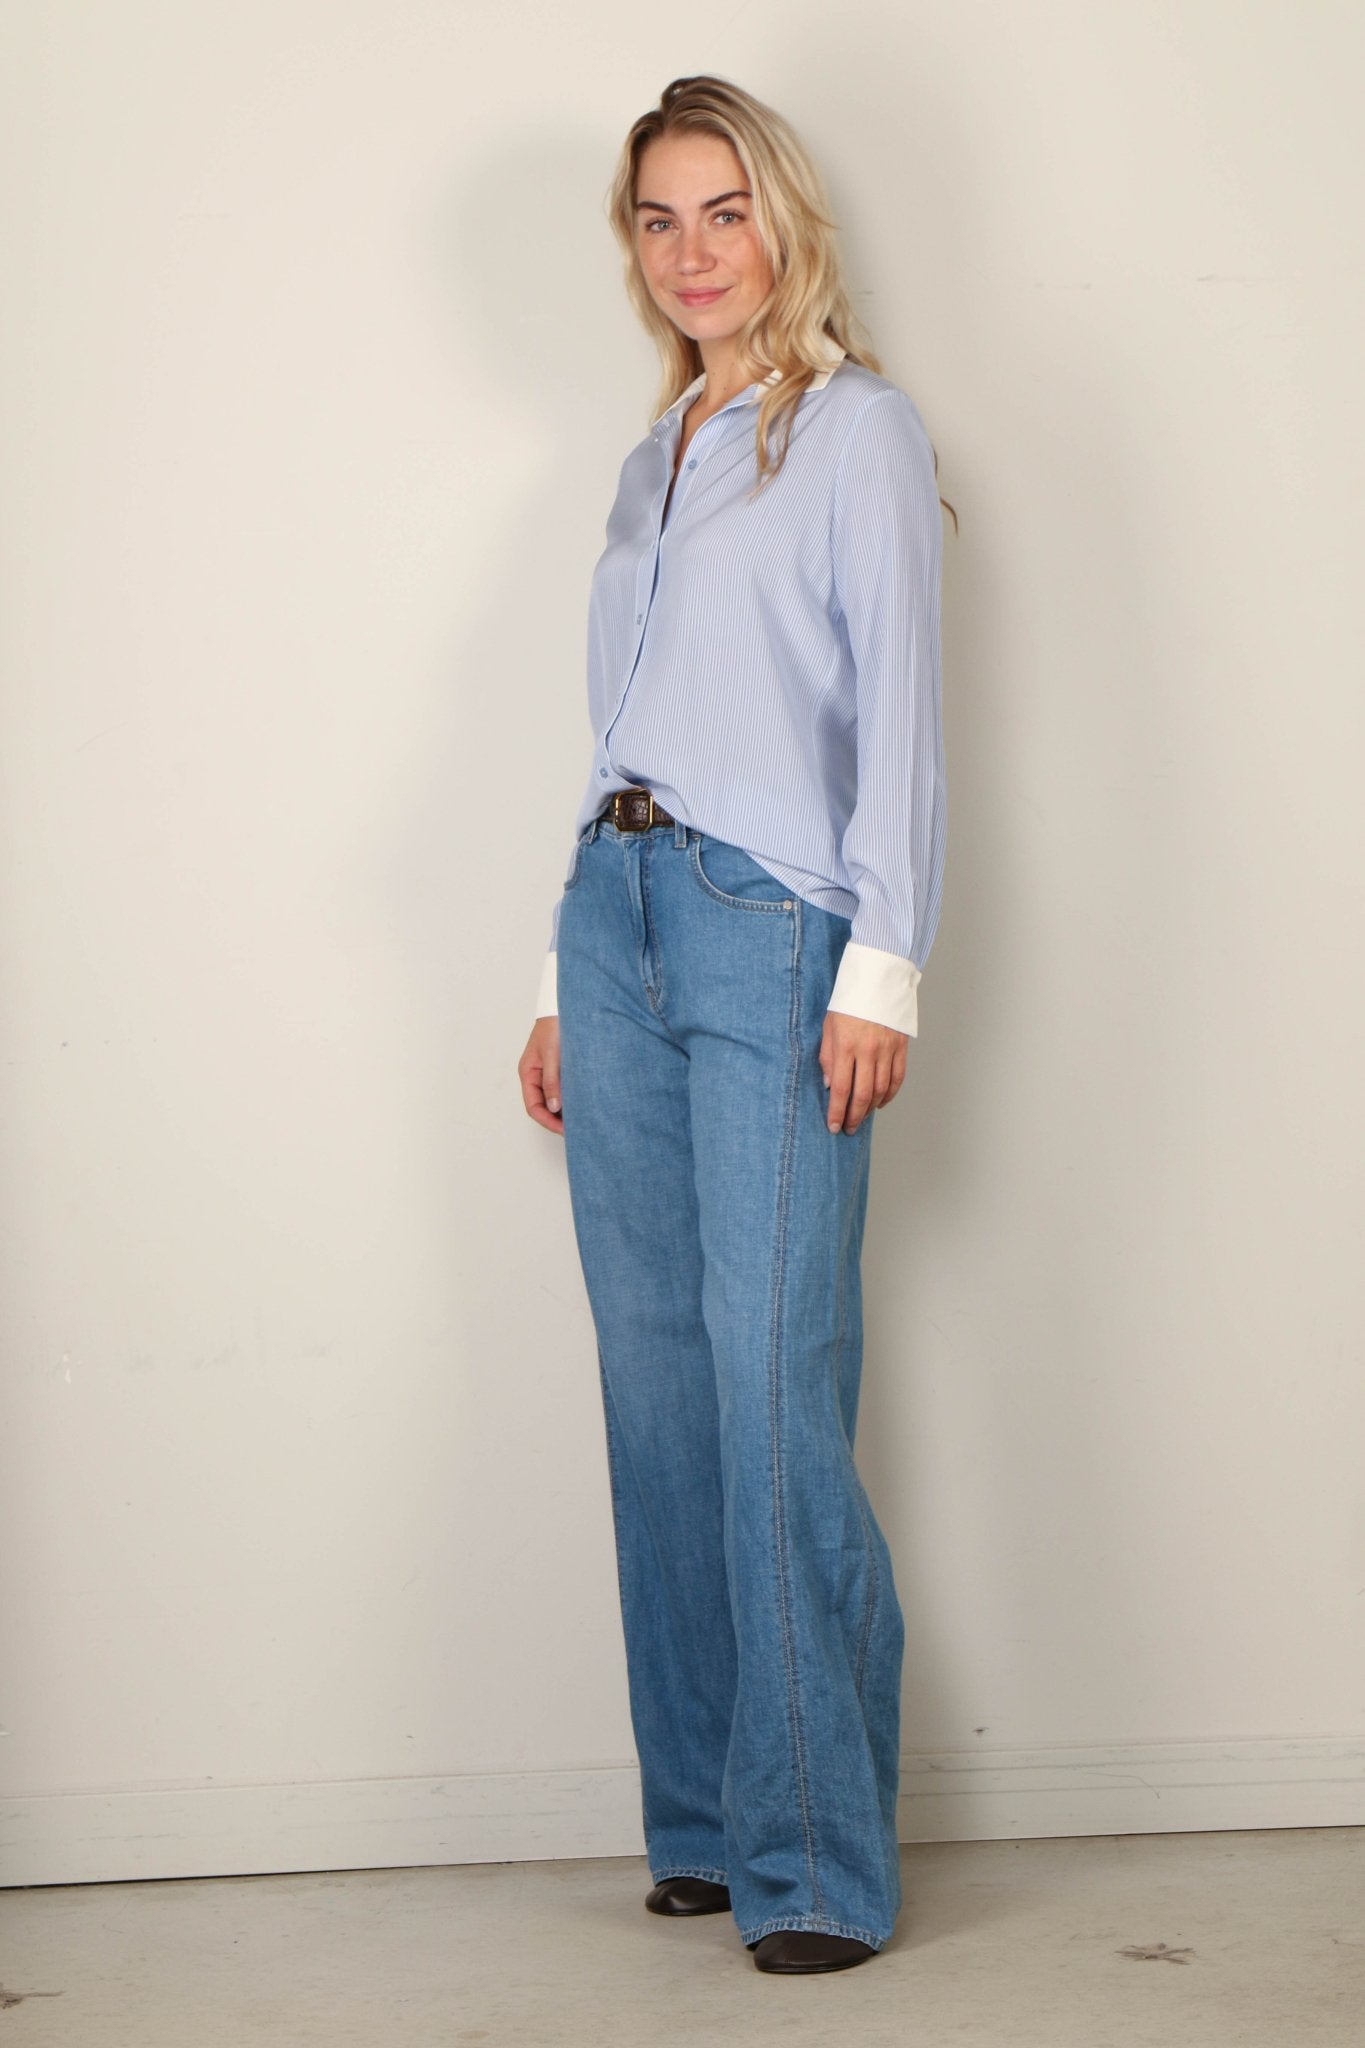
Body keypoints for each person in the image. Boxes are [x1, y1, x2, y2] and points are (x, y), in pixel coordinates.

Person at [517, 74, 947, 1974]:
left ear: (782, 221)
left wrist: (883, 966)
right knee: (658, 1393)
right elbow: (628, 729)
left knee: (771, 1391)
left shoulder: (854, 431)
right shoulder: (657, 455)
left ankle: (817, 1864)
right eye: (656, 219)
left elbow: (900, 711)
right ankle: (701, 1821)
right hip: (611, 919)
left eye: (722, 211)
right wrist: (555, 981)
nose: (690, 253)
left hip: (771, 930)